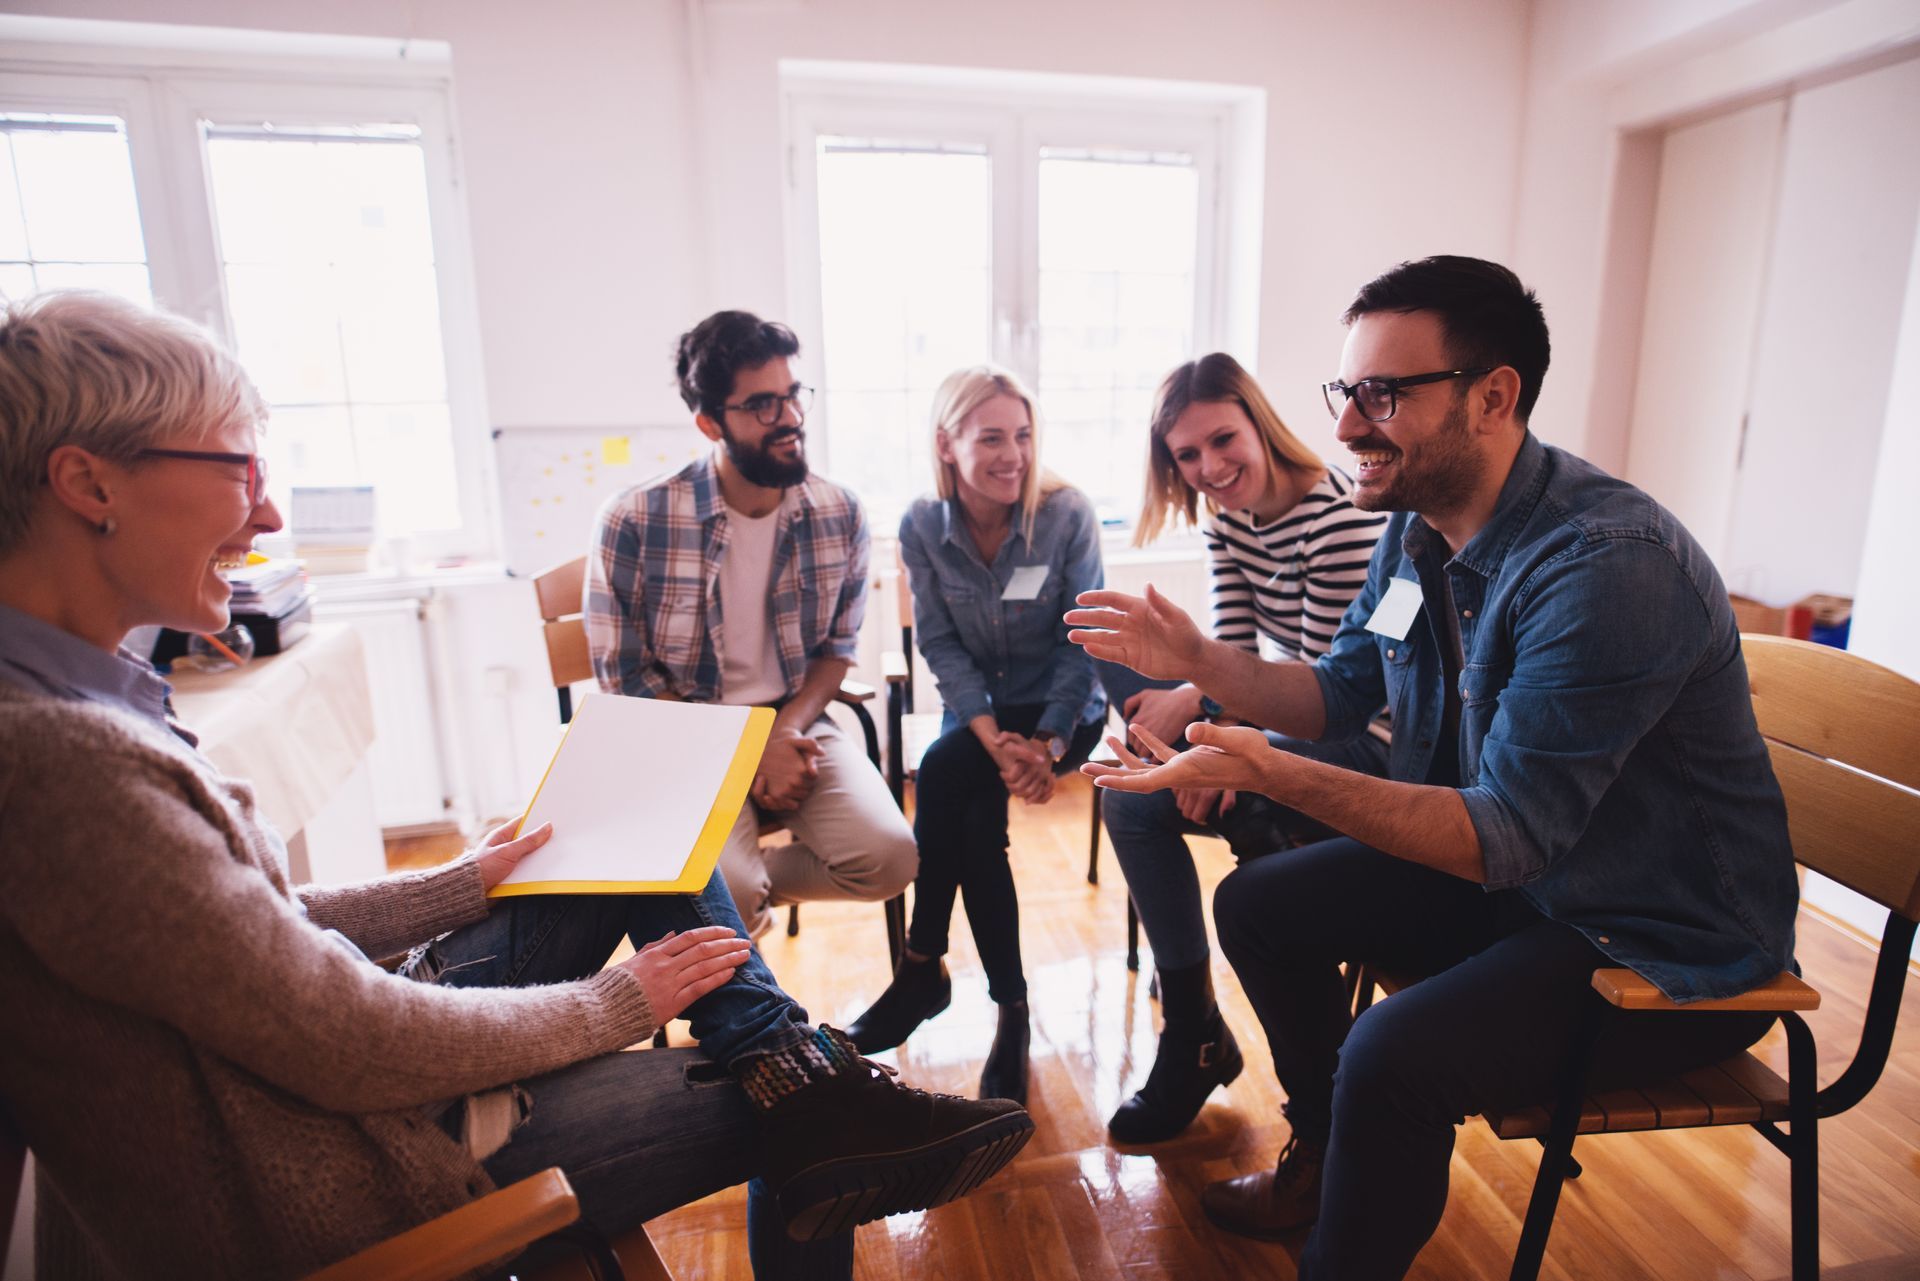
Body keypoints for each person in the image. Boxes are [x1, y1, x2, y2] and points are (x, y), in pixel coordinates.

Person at [0, 291, 1032, 1281]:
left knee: (626, 829)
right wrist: (611, 1004)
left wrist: (460, 882)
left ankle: (792, 1062)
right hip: (366, 1159)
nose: (268, 509)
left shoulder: (80, 707)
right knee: (796, 1112)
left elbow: (261, 928)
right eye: (238, 467)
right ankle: (809, 1086)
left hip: (357, 1068)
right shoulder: (64, 767)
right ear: (89, 485)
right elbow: (350, 1045)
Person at [1066, 256, 1797, 1281]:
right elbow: (1337, 692)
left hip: (1650, 935)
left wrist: (1274, 775)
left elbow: (1503, 835)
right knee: (1258, 906)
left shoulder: (1607, 566)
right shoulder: (1415, 529)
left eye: (1384, 395)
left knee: (1391, 1055)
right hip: (1523, 880)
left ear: (1494, 397)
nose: (1349, 426)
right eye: (1347, 392)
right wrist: (1196, 663)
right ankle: (1329, 1152)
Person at [1095, 353, 1388, 1144]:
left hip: (1368, 744)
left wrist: (1226, 742)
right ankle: (1194, 1028)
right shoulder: (1226, 518)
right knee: (1131, 793)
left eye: (1223, 440)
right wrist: (1202, 727)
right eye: (1187, 456)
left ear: (1259, 421)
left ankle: (1319, 1074)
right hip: (1287, 717)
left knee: (1225, 794)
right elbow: (1229, 649)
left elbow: (1337, 693)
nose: (1210, 468)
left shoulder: (1338, 518)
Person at [586, 311, 917, 939]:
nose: (789, 418)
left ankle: (728, 888)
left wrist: (782, 730)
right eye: (762, 405)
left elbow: (835, 651)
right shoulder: (635, 521)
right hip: (684, 743)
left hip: (792, 725)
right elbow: (625, 682)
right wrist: (746, 747)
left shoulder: (838, 512)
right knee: (732, 898)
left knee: (891, 859)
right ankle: (732, 905)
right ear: (710, 423)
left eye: (793, 395)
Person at [843, 367, 1105, 1104]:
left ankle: (923, 968)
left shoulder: (1066, 515)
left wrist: (1048, 745)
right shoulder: (924, 525)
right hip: (984, 713)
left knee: (945, 774)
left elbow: (1082, 644)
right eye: (991, 437)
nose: (1013, 454)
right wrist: (998, 743)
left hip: (1066, 709)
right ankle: (1009, 1007)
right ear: (946, 444)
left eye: (1022, 435)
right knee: (964, 795)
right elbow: (942, 648)